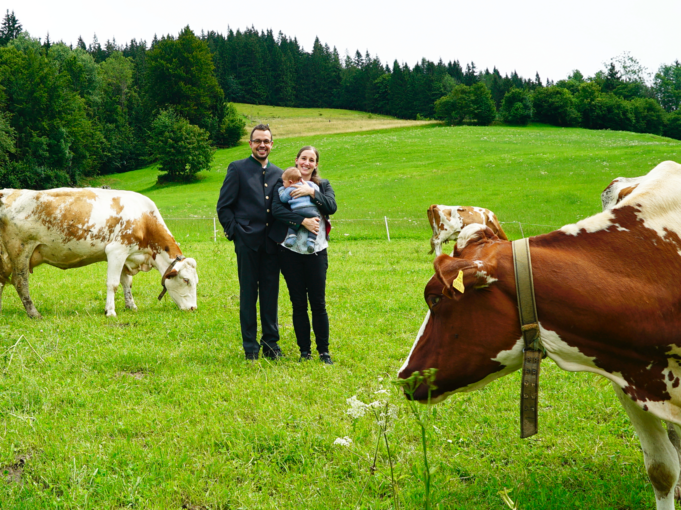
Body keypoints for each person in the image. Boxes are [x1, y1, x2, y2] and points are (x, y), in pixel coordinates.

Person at [216, 124, 285, 361]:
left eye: (266, 141)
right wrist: (236, 234)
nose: (262, 145)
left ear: (272, 144)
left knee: (270, 294)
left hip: (272, 244)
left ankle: (271, 344)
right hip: (247, 243)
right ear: (250, 143)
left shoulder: (279, 173)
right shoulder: (237, 169)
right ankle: (250, 347)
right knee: (248, 294)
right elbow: (223, 207)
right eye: (258, 141)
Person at [270, 146, 337, 364]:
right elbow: (277, 210)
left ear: (316, 164)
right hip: (289, 252)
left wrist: (311, 193)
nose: (307, 163)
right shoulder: (284, 183)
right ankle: (304, 352)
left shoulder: (322, 185)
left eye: (311, 160)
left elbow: (332, 206)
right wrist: (302, 221)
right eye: (303, 158)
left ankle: (323, 352)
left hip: (316, 251)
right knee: (298, 302)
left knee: (318, 302)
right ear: (297, 160)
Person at [278, 167, 321, 253]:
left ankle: (292, 237)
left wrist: (281, 190)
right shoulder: (309, 184)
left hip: (298, 210)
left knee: (293, 221)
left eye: (284, 182)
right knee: (315, 223)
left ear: (290, 182)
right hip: (311, 210)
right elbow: (317, 190)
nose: (283, 184)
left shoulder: (289, 188)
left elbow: (283, 199)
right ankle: (311, 241)